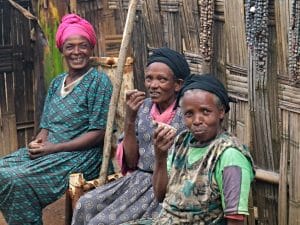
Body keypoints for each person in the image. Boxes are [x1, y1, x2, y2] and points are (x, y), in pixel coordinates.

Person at [0, 14, 113, 225]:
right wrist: (39, 143)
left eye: (83, 46)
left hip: (81, 155)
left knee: (17, 180)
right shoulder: (56, 82)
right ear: (61, 49)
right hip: (51, 151)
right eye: (70, 46)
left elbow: (98, 133)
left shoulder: (99, 82)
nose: (77, 52)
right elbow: (46, 125)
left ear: (91, 48)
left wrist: (52, 148)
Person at [71, 47, 190, 225]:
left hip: (165, 188)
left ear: (177, 84)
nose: (153, 85)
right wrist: (130, 118)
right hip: (136, 181)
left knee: (101, 222)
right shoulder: (143, 107)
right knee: (85, 204)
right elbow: (132, 161)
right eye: (149, 78)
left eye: (162, 79)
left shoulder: (186, 114)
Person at [127, 74, 255, 225]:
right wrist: (160, 156)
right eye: (189, 114)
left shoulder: (229, 155)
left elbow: (235, 219)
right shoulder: (182, 142)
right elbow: (160, 195)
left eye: (205, 112)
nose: (197, 121)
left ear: (220, 112)